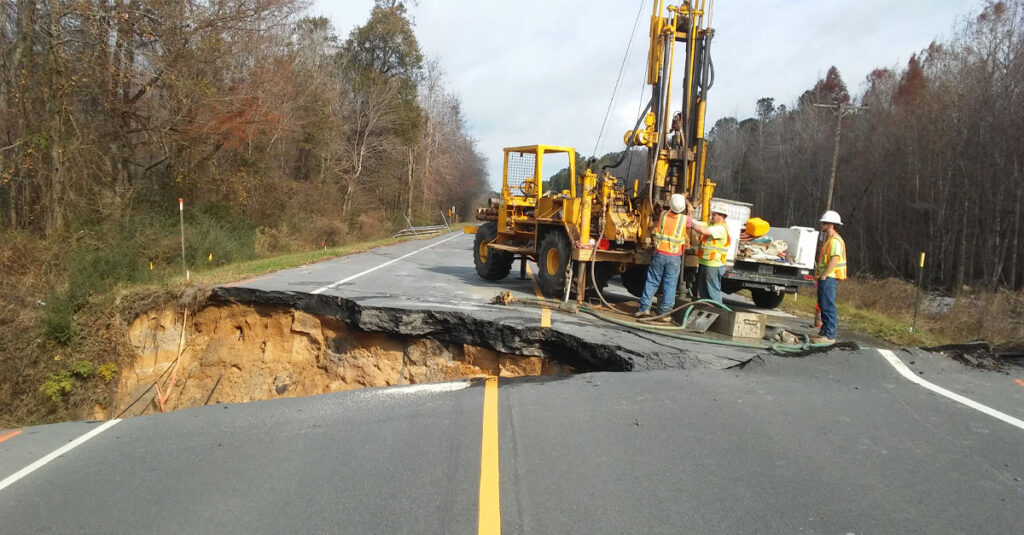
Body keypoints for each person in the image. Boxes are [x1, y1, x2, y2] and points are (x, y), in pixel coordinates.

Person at [636, 193, 693, 322]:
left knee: (652, 281)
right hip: (674, 258)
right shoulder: (685, 220)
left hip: (660, 254)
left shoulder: (663, 215)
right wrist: (687, 203)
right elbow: (690, 219)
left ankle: (644, 308)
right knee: (670, 284)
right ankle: (664, 313)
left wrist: (679, 198)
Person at [813, 210, 847, 343]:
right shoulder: (830, 240)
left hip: (829, 277)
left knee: (828, 305)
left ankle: (829, 335)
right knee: (823, 304)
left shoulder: (835, 241)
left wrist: (824, 275)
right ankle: (824, 332)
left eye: (824, 222)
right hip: (826, 277)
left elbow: (834, 260)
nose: (822, 224)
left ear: (831, 224)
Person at [694, 204, 731, 303]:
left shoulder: (721, 229)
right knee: (704, 291)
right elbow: (698, 223)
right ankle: (707, 309)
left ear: (721, 216)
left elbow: (703, 230)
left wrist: (690, 224)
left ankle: (719, 310)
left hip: (714, 265)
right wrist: (687, 217)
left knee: (712, 291)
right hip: (706, 263)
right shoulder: (712, 224)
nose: (712, 216)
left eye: (714, 215)